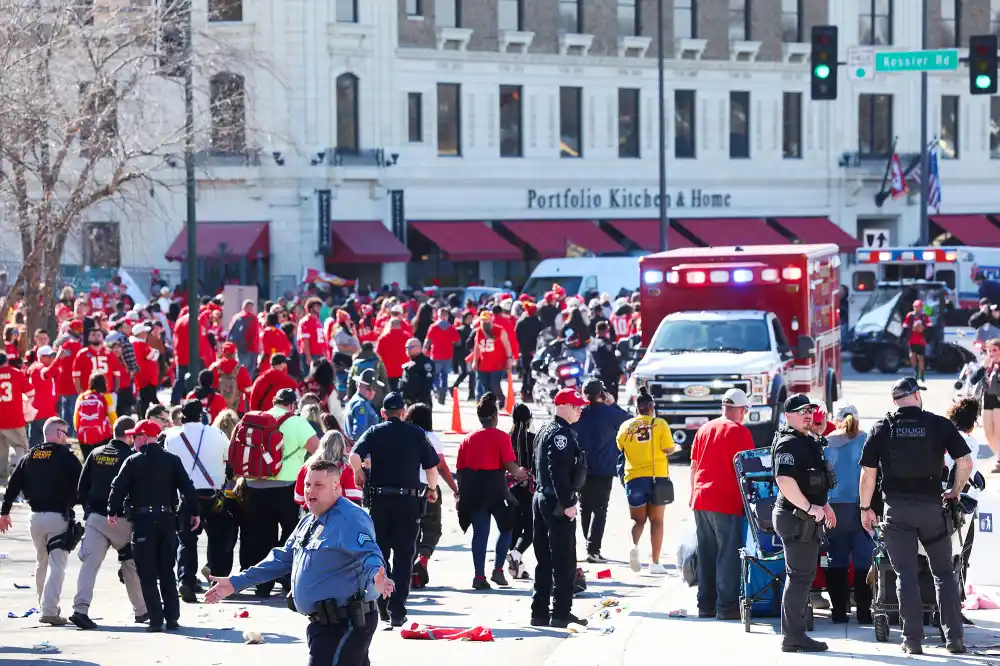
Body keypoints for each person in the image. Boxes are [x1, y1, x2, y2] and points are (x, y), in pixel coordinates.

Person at [204, 459, 393, 666]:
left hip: (346, 623)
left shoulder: (350, 519)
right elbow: (282, 558)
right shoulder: (309, 519)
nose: (311, 491)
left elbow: (369, 554)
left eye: (319, 485)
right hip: (322, 625)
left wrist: (378, 575)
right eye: (307, 484)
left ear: (337, 487)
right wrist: (236, 582)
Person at [859, 377, 972, 655]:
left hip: (897, 510)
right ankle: (954, 639)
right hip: (932, 509)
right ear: (916, 396)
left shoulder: (882, 428)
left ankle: (912, 641)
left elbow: (867, 475)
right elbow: (966, 461)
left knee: (905, 574)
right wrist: (954, 491)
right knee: (944, 573)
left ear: (895, 400)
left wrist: (865, 508)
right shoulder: (938, 424)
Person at [349, 392, 439, 626]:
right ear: (403, 412)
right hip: (408, 504)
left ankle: (382, 602)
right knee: (404, 556)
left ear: (382, 413)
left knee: (380, 553)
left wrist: (359, 473)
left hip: (380, 502)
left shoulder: (374, 431)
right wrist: (432, 489)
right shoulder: (416, 433)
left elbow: (354, 455)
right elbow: (431, 468)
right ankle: (397, 608)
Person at [107, 419, 201, 632]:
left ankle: (156, 620)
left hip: (142, 523)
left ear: (144, 437)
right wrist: (195, 512)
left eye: (135, 436)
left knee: (147, 573)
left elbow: (118, 487)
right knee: (167, 570)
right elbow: (187, 487)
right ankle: (173, 617)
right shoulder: (172, 460)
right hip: (167, 521)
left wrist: (112, 510)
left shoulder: (133, 461)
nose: (133, 441)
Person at [0, 417, 82, 626]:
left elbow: (13, 484)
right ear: (58, 434)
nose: (67, 437)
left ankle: (44, 604)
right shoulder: (66, 456)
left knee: (42, 563)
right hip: (58, 517)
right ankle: (49, 609)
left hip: (35, 518)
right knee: (57, 564)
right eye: (65, 432)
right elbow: (83, 484)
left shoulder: (30, 455)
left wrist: (4, 512)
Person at [771, 394, 835, 653]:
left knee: (803, 576)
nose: (807, 415)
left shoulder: (807, 441)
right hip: (796, 517)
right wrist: (810, 508)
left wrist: (824, 505)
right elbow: (784, 481)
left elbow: (814, 481)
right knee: (799, 577)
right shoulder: (788, 444)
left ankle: (795, 635)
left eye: (809, 410)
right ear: (788, 417)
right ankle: (793, 637)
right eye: (800, 412)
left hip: (807, 515)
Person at [240, 388, 319, 597]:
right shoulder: (297, 422)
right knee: (291, 532)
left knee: (260, 534)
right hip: (286, 486)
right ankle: (285, 576)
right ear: (293, 405)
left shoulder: (256, 419)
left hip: (255, 485)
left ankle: (262, 583)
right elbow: (317, 450)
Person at [71, 416, 148, 629]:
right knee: (130, 564)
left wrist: (89, 510)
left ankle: (80, 609)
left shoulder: (95, 454)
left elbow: (81, 488)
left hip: (95, 517)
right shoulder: (132, 457)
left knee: (89, 565)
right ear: (130, 435)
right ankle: (141, 611)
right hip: (121, 520)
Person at [689, 388, 755, 620]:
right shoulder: (740, 432)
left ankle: (705, 605)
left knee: (706, 553)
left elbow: (694, 466)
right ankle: (727, 607)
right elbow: (748, 470)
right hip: (725, 500)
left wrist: (692, 494)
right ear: (741, 410)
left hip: (701, 498)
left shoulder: (704, 429)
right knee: (727, 554)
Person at [164, 400, 234, 602]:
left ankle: (186, 580)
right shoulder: (217, 434)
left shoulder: (172, 437)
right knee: (218, 538)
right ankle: (216, 580)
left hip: (186, 495)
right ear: (202, 415)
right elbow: (228, 461)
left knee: (187, 540)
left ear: (182, 417)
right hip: (213, 495)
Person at [455, 393, 527, 590]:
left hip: (474, 488)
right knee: (506, 527)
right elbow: (510, 466)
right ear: (495, 416)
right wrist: (521, 473)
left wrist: (460, 493)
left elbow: (460, 470)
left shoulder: (467, 439)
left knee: (480, 533)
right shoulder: (501, 437)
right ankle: (498, 570)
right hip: (496, 487)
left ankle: (479, 576)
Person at [531, 388, 589, 628]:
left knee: (544, 560)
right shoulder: (560, 435)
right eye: (576, 407)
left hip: (541, 497)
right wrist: (567, 503)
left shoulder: (545, 429)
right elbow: (558, 471)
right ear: (562, 406)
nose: (579, 411)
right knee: (564, 561)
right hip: (556, 502)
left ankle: (540, 612)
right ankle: (561, 613)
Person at [823, 402, 873, 625]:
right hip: (861, 506)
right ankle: (864, 612)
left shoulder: (825, 442)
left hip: (833, 508)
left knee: (836, 560)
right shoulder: (866, 439)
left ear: (836, 420)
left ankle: (838, 612)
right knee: (864, 560)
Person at [616, 387, 674, 575]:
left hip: (634, 478)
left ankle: (634, 546)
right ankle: (655, 563)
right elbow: (667, 449)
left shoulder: (626, 426)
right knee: (657, 521)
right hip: (657, 477)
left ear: (637, 407)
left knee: (637, 520)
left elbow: (620, 447)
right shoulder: (660, 424)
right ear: (651, 407)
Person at [572, 377, 629, 563]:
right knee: (600, 509)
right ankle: (593, 549)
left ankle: (589, 547)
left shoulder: (579, 412)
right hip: (604, 468)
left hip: (581, 468)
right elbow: (630, 421)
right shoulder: (610, 413)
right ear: (601, 394)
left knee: (585, 507)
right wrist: (613, 404)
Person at [406, 403, 458, 588]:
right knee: (432, 528)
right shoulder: (432, 438)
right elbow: (442, 467)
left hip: (407, 490)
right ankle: (422, 559)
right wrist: (455, 488)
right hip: (429, 488)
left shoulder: (404, 436)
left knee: (410, 530)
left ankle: (408, 566)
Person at [294, 429, 363, 508]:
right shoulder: (347, 468)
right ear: (342, 446)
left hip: (312, 513)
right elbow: (355, 498)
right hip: (339, 514)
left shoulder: (307, 466)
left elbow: (299, 498)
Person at [506, 403, 535, 580]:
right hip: (530, 488)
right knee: (531, 528)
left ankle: (517, 567)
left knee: (514, 527)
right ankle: (516, 555)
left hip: (509, 488)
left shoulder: (507, 438)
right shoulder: (533, 438)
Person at [0, 351, 34, 481]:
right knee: (20, 446)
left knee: (1, 450)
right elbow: (31, 392)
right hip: (14, 418)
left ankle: (2, 478)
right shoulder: (16, 373)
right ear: (6, 361)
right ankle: (16, 473)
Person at [424, 307, 461, 404]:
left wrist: (424, 350)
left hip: (435, 354)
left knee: (435, 375)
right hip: (448, 355)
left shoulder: (433, 327)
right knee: (445, 376)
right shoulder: (452, 328)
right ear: (447, 316)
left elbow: (428, 341)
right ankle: (443, 395)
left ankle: (437, 389)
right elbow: (458, 342)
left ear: (438, 315)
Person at [345, 368, 382, 441]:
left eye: (374, 388)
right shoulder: (360, 404)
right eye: (368, 388)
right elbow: (359, 434)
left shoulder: (359, 400)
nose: (372, 392)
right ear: (359, 385)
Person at [980, 339, 1000, 473]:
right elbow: (975, 379)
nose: (992, 353)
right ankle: (998, 455)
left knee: (998, 431)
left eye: (995, 350)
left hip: (998, 399)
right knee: (988, 433)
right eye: (990, 350)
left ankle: (999, 460)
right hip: (987, 400)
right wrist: (983, 367)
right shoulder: (987, 365)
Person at [400, 337, 435, 407]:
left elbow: (427, 383)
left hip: (421, 402)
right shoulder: (410, 363)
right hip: (409, 402)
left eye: (409, 347)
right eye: (406, 348)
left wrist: (419, 399)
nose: (407, 350)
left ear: (418, 347)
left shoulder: (426, 363)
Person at [903, 300, 932, 382]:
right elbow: (905, 326)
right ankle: (916, 370)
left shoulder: (924, 316)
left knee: (920, 357)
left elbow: (929, 327)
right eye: (915, 307)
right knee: (912, 355)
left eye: (918, 307)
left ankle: (922, 373)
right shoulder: (910, 316)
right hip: (912, 339)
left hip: (921, 340)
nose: (917, 309)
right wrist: (911, 329)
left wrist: (922, 329)